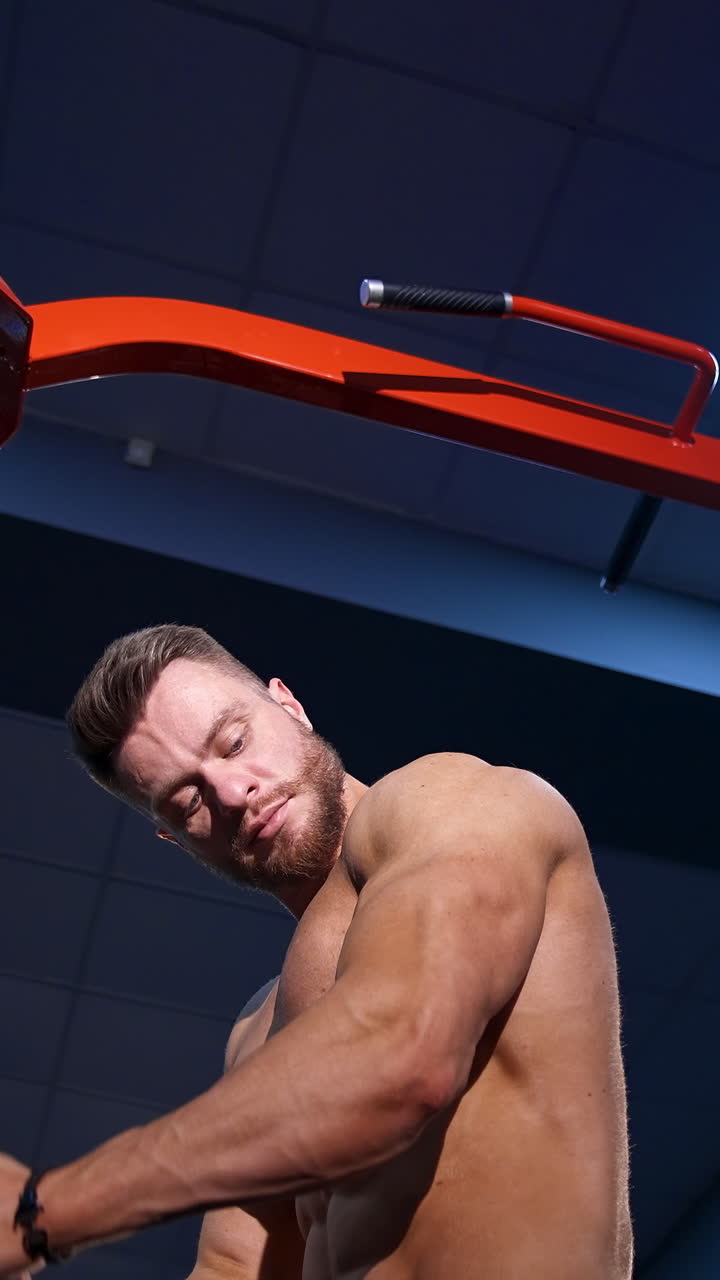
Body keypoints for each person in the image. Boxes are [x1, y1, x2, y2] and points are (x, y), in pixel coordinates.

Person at [0, 625, 633, 1279]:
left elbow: (398, 1058)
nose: (230, 790)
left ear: (288, 705)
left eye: (234, 741)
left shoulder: (452, 802)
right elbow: (231, 1268)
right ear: (174, 838)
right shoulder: (259, 1029)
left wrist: (47, 1211)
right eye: (187, 798)